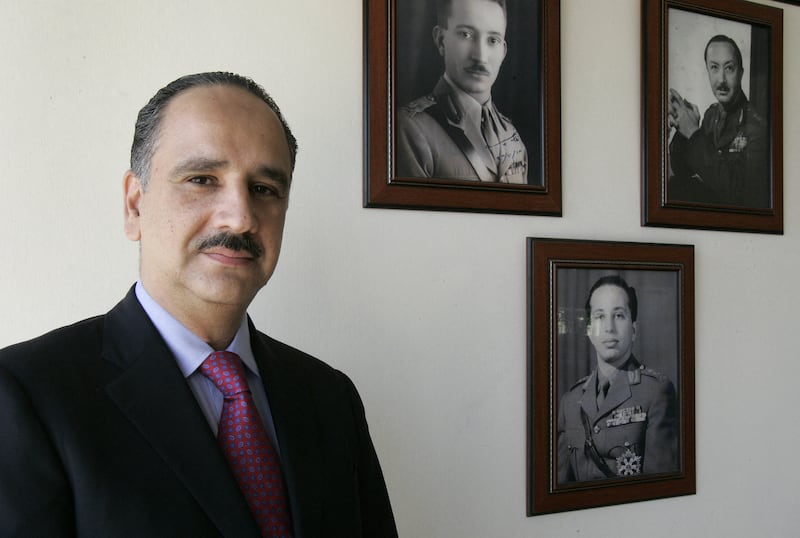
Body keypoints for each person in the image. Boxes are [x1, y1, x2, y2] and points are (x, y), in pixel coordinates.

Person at [0, 72, 397, 537]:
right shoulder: (27, 395)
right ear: (134, 205)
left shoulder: (331, 398)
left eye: (265, 188)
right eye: (202, 179)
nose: (241, 217)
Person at [557, 275, 678, 484]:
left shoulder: (656, 393)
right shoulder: (570, 401)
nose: (609, 328)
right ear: (589, 330)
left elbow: (660, 489)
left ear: (633, 330)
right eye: (599, 316)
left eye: (619, 315)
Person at [396, 0, 528, 183]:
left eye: (493, 40)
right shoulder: (411, 130)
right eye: (466, 34)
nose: (480, 57)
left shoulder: (512, 136)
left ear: (503, 52)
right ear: (441, 40)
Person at [668, 34, 769, 207]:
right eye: (714, 68)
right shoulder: (710, 115)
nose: (721, 79)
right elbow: (682, 171)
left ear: (741, 73)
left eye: (729, 68)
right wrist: (682, 130)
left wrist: (694, 134)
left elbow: (742, 196)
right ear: (707, 70)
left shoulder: (757, 127)